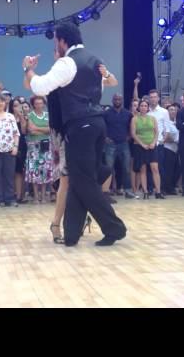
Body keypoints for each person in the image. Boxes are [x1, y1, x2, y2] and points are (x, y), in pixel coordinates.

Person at [23, 22, 126, 247]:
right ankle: (71, 234)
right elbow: (109, 82)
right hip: (98, 124)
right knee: (80, 181)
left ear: (62, 40)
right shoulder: (93, 59)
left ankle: (114, 227)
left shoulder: (67, 62)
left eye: (55, 42)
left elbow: (39, 87)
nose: (55, 46)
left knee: (84, 182)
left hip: (80, 127)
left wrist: (28, 70)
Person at [103, 93, 135, 199]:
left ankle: (128, 190)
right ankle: (106, 191)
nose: (117, 101)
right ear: (112, 100)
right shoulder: (106, 113)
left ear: (122, 100)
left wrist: (129, 136)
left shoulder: (128, 114)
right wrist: (105, 138)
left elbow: (132, 127)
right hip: (110, 144)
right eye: (115, 99)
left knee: (126, 168)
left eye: (119, 99)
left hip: (124, 144)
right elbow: (102, 127)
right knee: (109, 168)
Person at [131, 99, 162, 199]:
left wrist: (153, 142)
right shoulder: (134, 119)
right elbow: (133, 134)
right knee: (143, 169)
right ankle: (145, 191)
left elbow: (156, 132)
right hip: (140, 147)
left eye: (145, 106)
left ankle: (158, 191)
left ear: (148, 107)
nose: (143, 107)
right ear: (139, 107)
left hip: (152, 146)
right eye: (142, 105)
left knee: (155, 168)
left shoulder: (152, 118)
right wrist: (142, 144)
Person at [25, 96, 53, 204]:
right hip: (33, 147)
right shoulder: (30, 115)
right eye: (36, 103)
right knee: (34, 170)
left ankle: (44, 195)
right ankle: (36, 196)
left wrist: (37, 128)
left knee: (45, 170)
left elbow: (50, 129)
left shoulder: (48, 115)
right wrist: (43, 130)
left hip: (46, 146)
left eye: (41, 103)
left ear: (44, 104)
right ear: (33, 104)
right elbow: (31, 131)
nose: (39, 105)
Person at [148, 89, 173, 196]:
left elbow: (167, 129)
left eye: (155, 97)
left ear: (158, 98)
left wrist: (163, 140)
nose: (153, 99)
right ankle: (149, 189)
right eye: (151, 97)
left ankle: (161, 189)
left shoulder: (164, 112)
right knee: (148, 167)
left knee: (159, 167)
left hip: (159, 144)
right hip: (146, 144)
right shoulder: (145, 111)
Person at [8, 98, 29, 203]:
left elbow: (24, 131)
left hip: (22, 145)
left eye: (19, 105)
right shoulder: (7, 117)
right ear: (11, 107)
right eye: (15, 105)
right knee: (10, 171)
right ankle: (11, 194)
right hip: (9, 145)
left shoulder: (24, 117)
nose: (17, 107)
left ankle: (20, 195)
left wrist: (21, 117)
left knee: (20, 171)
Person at [163, 103, 180, 196]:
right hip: (168, 148)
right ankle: (167, 188)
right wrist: (174, 140)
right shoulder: (166, 123)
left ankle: (172, 187)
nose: (173, 111)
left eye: (174, 110)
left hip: (176, 149)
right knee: (168, 170)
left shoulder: (177, 122)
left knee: (177, 169)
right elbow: (165, 136)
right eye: (171, 110)